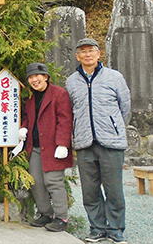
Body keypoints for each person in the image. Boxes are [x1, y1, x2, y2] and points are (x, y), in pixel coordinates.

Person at [65, 38, 131, 244]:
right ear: (77, 56)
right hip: (85, 142)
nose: (87, 55)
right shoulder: (71, 81)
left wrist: (114, 127)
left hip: (110, 142)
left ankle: (116, 228)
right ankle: (97, 228)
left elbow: (125, 107)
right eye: (82, 51)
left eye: (91, 51)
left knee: (114, 189)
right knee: (90, 190)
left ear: (98, 54)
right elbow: (71, 110)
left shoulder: (114, 77)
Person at [18, 62, 73, 233]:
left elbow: (65, 120)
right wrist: (24, 127)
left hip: (53, 146)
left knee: (53, 181)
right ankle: (46, 214)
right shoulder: (31, 98)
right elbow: (28, 117)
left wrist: (63, 144)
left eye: (38, 76)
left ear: (46, 77)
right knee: (35, 181)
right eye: (31, 77)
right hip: (34, 146)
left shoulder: (59, 94)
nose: (35, 80)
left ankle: (61, 217)